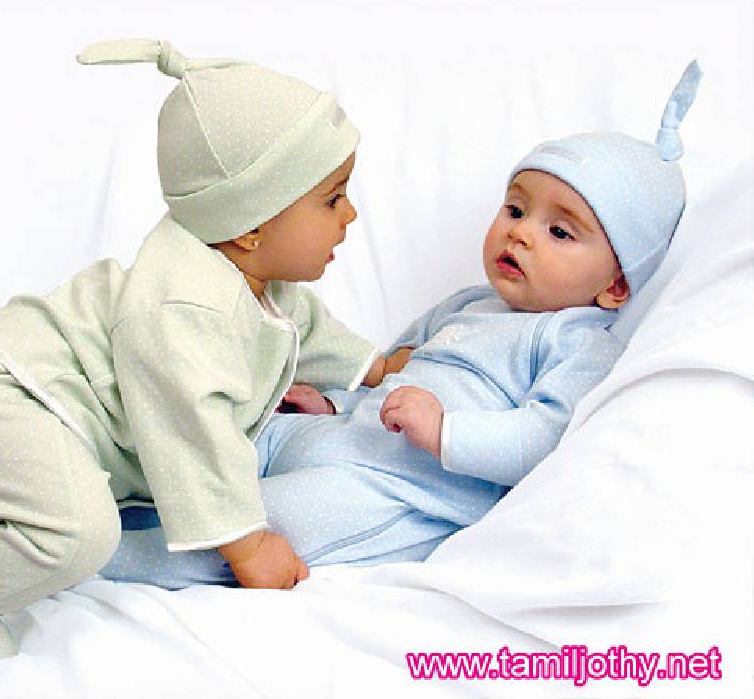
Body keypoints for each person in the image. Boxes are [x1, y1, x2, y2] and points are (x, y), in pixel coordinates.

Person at [0, 39, 402, 668]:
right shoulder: (183, 306)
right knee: (79, 534)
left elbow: (300, 330)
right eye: (332, 198)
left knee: (39, 532)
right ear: (250, 224)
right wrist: (248, 544)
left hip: (15, 425)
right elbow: (193, 427)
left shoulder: (258, 280)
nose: (350, 215)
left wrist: (374, 368)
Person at [98, 61, 703, 591]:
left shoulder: (576, 343)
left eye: (560, 231)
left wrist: (446, 431)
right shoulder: (468, 304)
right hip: (342, 436)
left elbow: (542, 441)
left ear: (615, 286)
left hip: (403, 490)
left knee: (270, 523)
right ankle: (110, 501)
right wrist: (332, 405)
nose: (520, 232)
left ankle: (114, 558)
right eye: (516, 209)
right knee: (226, 447)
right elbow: (389, 372)